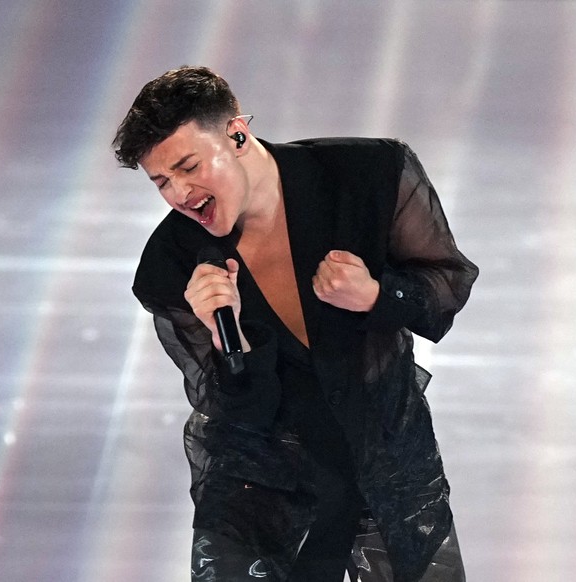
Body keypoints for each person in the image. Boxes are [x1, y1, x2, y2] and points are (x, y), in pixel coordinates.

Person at [113, 66, 478, 582]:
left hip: (388, 470)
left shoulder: (367, 174)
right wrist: (230, 341)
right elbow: (234, 414)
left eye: (189, 166)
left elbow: (446, 283)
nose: (180, 193)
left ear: (236, 134)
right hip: (263, 493)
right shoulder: (171, 265)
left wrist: (377, 295)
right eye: (162, 182)